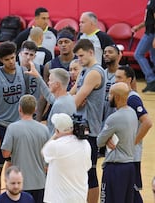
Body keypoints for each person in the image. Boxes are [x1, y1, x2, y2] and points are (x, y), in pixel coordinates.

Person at [0, 41, 29, 198]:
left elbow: (27, 100)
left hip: (18, 127)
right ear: (1, 61)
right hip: (0, 126)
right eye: (6, 59)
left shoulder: (23, 71)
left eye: (12, 58)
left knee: (18, 170)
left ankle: (17, 199)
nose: (11, 62)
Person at [69, 38, 106, 203]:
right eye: (77, 56)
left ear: (91, 52)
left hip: (90, 129)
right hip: (79, 126)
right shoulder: (84, 70)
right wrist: (75, 99)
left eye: (82, 56)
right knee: (78, 172)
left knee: (90, 173)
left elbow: (76, 100)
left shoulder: (95, 72)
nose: (79, 60)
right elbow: (72, 94)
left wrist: (76, 99)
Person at [115, 65, 153, 203]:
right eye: (115, 77)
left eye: (120, 77)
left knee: (132, 192)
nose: (116, 80)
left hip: (130, 157)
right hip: (125, 155)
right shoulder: (122, 96)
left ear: (129, 80)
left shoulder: (132, 99)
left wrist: (133, 143)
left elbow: (147, 122)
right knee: (129, 192)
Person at [1, 94, 49, 202]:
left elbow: (5, 154)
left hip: (20, 184)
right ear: (35, 109)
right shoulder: (44, 129)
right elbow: (48, 157)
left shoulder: (12, 128)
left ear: (19, 109)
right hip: (40, 182)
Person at [97, 82, 138, 203]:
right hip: (129, 167)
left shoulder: (114, 118)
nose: (108, 97)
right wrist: (109, 137)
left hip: (115, 168)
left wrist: (107, 138)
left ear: (117, 97)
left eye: (110, 95)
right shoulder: (132, 113)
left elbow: (99, 141)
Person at [42, 113, 92, 203]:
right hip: (79, 197)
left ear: (57, 130)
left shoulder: (55, 146)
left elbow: (44, 152)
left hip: (58, 199)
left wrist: (55, 135)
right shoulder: (85, 144)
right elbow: (87, 167)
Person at [37, 27, 77, 121]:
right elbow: (44, 95)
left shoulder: (79, 64)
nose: (63, 45)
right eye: (60, 42)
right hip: (55, 108)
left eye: (66, 42)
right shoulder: (50, 65)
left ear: (73, 43)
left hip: (75, 108)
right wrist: (38, 119)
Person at [26, 67, 76, 135]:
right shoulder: (67, 97)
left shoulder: (60, 105)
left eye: (50, 80)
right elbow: (48, 95)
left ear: (57, 84)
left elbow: (55, 133)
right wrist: (37, 76)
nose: (48, 83)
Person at [132, 0, 155, 92]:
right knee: (153, 58)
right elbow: (149, 19)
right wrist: (139, 26)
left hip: (151, 33)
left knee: (138, 54)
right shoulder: (150, 1)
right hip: (149, 31)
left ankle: (151, 79)